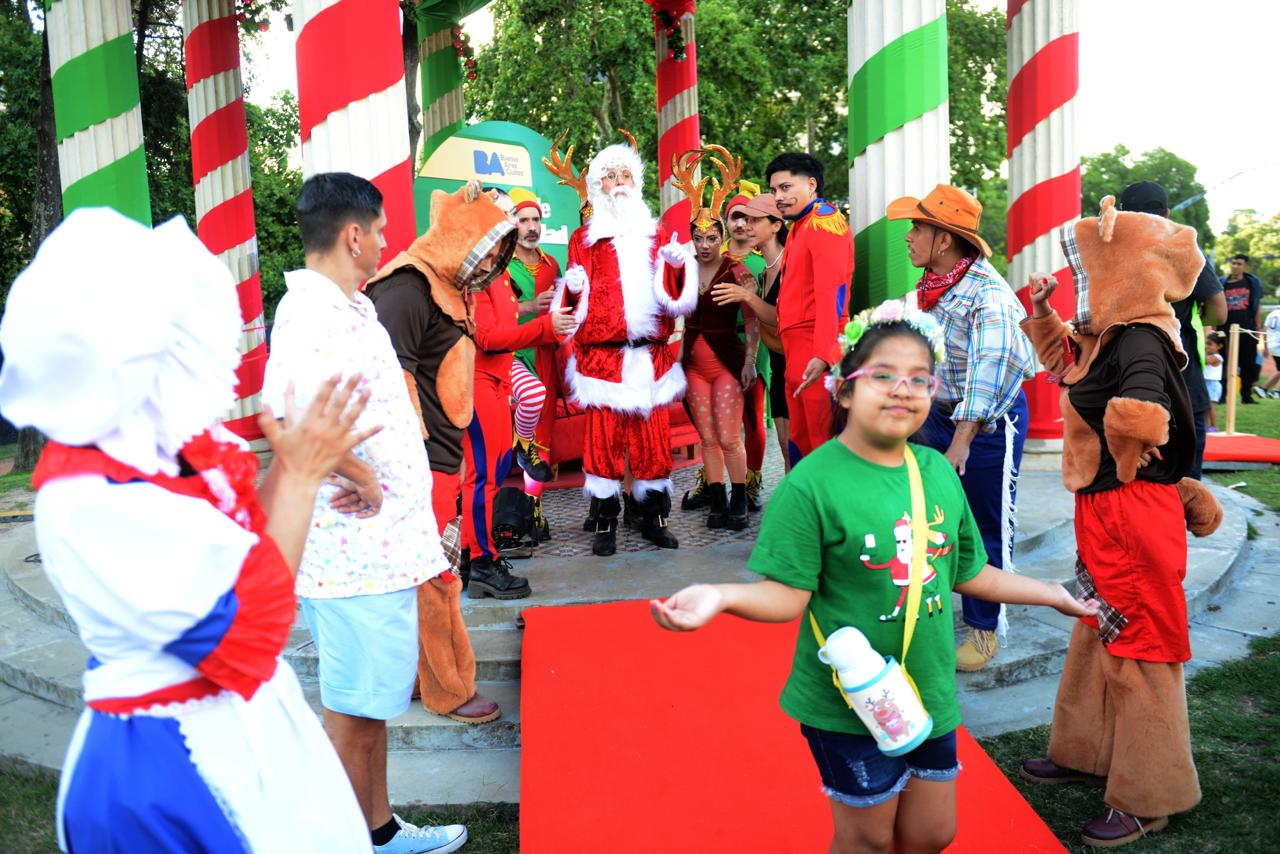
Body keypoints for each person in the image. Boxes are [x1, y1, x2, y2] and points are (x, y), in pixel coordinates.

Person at [0, 206, 401, 851]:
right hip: (169, 766)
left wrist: (295, 466)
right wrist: (299, 474)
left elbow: (247, 552)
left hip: (237, 724)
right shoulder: (90, 498)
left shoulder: (161, 454)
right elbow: (246, 631)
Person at [652, 301, 1096, 854]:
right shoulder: (810, 485)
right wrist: (718, 595)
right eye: (882, 376)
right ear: (843, 390)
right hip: (846, 702)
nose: (902, 390)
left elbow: (969, 572)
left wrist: (1052, 594)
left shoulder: (936, 471)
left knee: (932, 834)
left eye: (919, 378)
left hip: (927, 691)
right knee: (869, 842)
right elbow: (787, 596)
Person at [263, 173, 470, 853]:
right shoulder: (311, 315)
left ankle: (378, 829)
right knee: (353, 711)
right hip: (352, 551)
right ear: (354, 235)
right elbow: (287, 418)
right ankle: (347, 839)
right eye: (380, 230)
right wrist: (365, 478)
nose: (386, 242)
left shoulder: (348, 306)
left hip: (376, 552)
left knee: (372, 706)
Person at [1018, 196, 1223, 848]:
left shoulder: (1140, 336)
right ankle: (1086, 751)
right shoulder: (1112, 334)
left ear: (1121, 271)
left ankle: (1149, 795)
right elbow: (1069, 368)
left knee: (1141, 646)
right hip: (1107, 508)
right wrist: (1044, 312)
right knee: (1096, 628)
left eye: (1087, 271)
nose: (1081, 283)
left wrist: (1134, 442)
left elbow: (1143, 401)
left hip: (1131, 511)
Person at [361, 180, 520, 734]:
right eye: (488, 249)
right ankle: (449, 688)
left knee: (433, 575)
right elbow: (388, 380)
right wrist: (407, 465)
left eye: (499, 254)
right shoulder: (408, 287)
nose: (492, 264)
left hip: (439, 464)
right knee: (436, 580)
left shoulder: (444, 286)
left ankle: (416, 676)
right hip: (417, 466)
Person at [885, 184, 1036, 672]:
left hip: (986, 424)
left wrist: (961, 443)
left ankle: (984, 629)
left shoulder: (989, 296)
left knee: (983, 524)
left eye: (917, 228)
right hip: (938, 413)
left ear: (944, 240)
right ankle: (920, 611)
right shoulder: (929, 287)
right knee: (924, 518)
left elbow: (988, 372)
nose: (908, 237)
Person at [555, 135, 698, 556]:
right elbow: (571, 307)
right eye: (610, 175)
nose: (619, 182)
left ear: (636, 183)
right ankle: (604, 523)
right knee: (603, 443)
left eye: (625, 175)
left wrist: (676, 269)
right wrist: (572, 289)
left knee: (652, 441)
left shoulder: (658, 235)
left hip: (650, 356)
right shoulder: (583, 240)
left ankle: (653, 518)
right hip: (602, 359)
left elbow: (675, 300)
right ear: (597, 186)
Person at [463, 188, 574, 564]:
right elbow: (488, 336)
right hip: (489, 372)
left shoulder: (509, 264)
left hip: (513, 368)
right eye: (513, 216)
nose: (522, 225)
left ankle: (492, 545)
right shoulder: (481, 269)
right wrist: (543, 323)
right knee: (482, 475)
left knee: (496, 468)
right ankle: (479, 558)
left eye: (528, 218)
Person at [671, 148, 759, 530]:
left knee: (729, 438)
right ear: (691, 239)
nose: (704, 244)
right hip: (693, 366)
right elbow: (669, 312)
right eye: (698, 238)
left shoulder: (737, 271)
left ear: (722, 237)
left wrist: (750, 361)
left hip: (727, 363)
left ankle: (740, 501)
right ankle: (718, 501)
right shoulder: (683, 271)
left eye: (711, 237)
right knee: (706, 438)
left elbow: (752, 319)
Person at [1117, 181, 1225, 478]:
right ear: (1166, 213)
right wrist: (1198, 314)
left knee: (1134, 479)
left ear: (1122, 213)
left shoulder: (1108, 250)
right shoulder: (1182, 247)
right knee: (1185, 481)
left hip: (1126, 379)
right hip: (1181, 378)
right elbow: (1219, 310)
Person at [765, 152, 854, 461]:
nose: (778, 196)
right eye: (774, 190)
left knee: (822, 442)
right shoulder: (801, 225)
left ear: (812, 184)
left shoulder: (824, 222)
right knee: (801, 440)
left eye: (785, 187)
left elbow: (832, 292)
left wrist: (823, 352)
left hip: (814, 347)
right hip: (797, 348)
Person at [712, 193, 791, 475]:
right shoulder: (763, 270)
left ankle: (754, 479)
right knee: (785, 445)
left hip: (790, 361)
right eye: (741, 218)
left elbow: (782, 319)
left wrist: (747, 297)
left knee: (768, 426)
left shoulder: (787, 264)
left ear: (776, 225)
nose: (746, 225)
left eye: (754, 220)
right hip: (766, 359)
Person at [506, 188, 566, 539]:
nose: (531, 227)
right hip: (509, 356)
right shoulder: (499, 265)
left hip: (544, 355)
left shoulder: (551, 265)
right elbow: (490, 317)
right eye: (523, 220)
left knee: (540, 440)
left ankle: (533, 510)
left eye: (536, 220)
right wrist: (530, 307)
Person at [1220, 253, 1264, 403]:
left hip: (1247, 330)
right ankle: (1222, 396)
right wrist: (1215, 329)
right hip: (1225, 330)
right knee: (1225, 363)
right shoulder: (1222, 283)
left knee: (1248, 364)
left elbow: (1257, 307)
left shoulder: (1252, 283)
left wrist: (1258, 329)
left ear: (1245, 267)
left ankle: (1246, 396)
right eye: (1233, 263)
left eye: (1239, 264)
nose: (1235, 266)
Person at [1204, 332, 1224, 428]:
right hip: (1207, 383)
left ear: (1219, 346)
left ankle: (1215, 427)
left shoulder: (1217, 357)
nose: (1207, 346)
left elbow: (1205, 361)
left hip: (1213, 384)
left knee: (1211, 407)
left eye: (1210, 344)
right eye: (1206, 343)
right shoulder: (1210, 355)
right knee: (1206, 407)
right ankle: (1208, 426)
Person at [1260, 304, 1280, 398]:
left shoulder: (1271, 314)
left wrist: (1266, 347)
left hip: (1272, 344)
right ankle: (1274, 391)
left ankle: (1266, 389)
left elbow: (1265, 330)